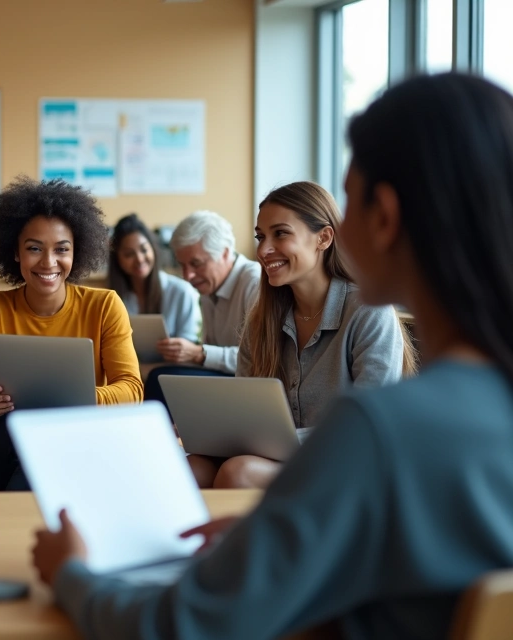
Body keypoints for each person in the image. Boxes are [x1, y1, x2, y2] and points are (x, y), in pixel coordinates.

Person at [31, 71, 513, 640]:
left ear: (382, 217)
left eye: (350, 202)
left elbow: (176, 627)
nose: (263, 252)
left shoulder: (377, 429)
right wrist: (277, 531)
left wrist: (72, 573)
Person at [187, 181, 416, 490]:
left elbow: (366, 426)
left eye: (280, 233)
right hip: (278, 455)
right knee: (191, 467)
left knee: (239, 473)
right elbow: (245, 415)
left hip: (347, 462)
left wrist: (274, 441)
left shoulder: (368, 311)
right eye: (260, 236)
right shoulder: (261, 321)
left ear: (323, 238)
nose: (263, 250)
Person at [0, 178, 143, 491]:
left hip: (80, 440)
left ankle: (21, 529)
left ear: (77, 252)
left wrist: (73, 403)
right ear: (16, 252)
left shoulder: (104, 306)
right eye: (34, 248)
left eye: (61, 249)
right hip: (4, 446)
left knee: (46, 453)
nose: (48, 262)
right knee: (27, 443)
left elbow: (131, 391)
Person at [142, 210, 262, 403]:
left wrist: (199, 353)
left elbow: (259, 361)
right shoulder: (209, 285)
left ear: (224, 253)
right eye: (182, 265)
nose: (187, 276)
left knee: (160, 379)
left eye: (196, 264)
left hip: (253, 385)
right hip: (227, 377)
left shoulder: (255, 282)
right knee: (161, 375)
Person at [108, 213, 200, 346]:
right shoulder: (112, 298)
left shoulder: (182, 291)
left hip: (172, 365)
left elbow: (189, 346)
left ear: (154, 249)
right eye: (129, 254)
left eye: (144, 250)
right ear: (117, 260)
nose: (139, 259)